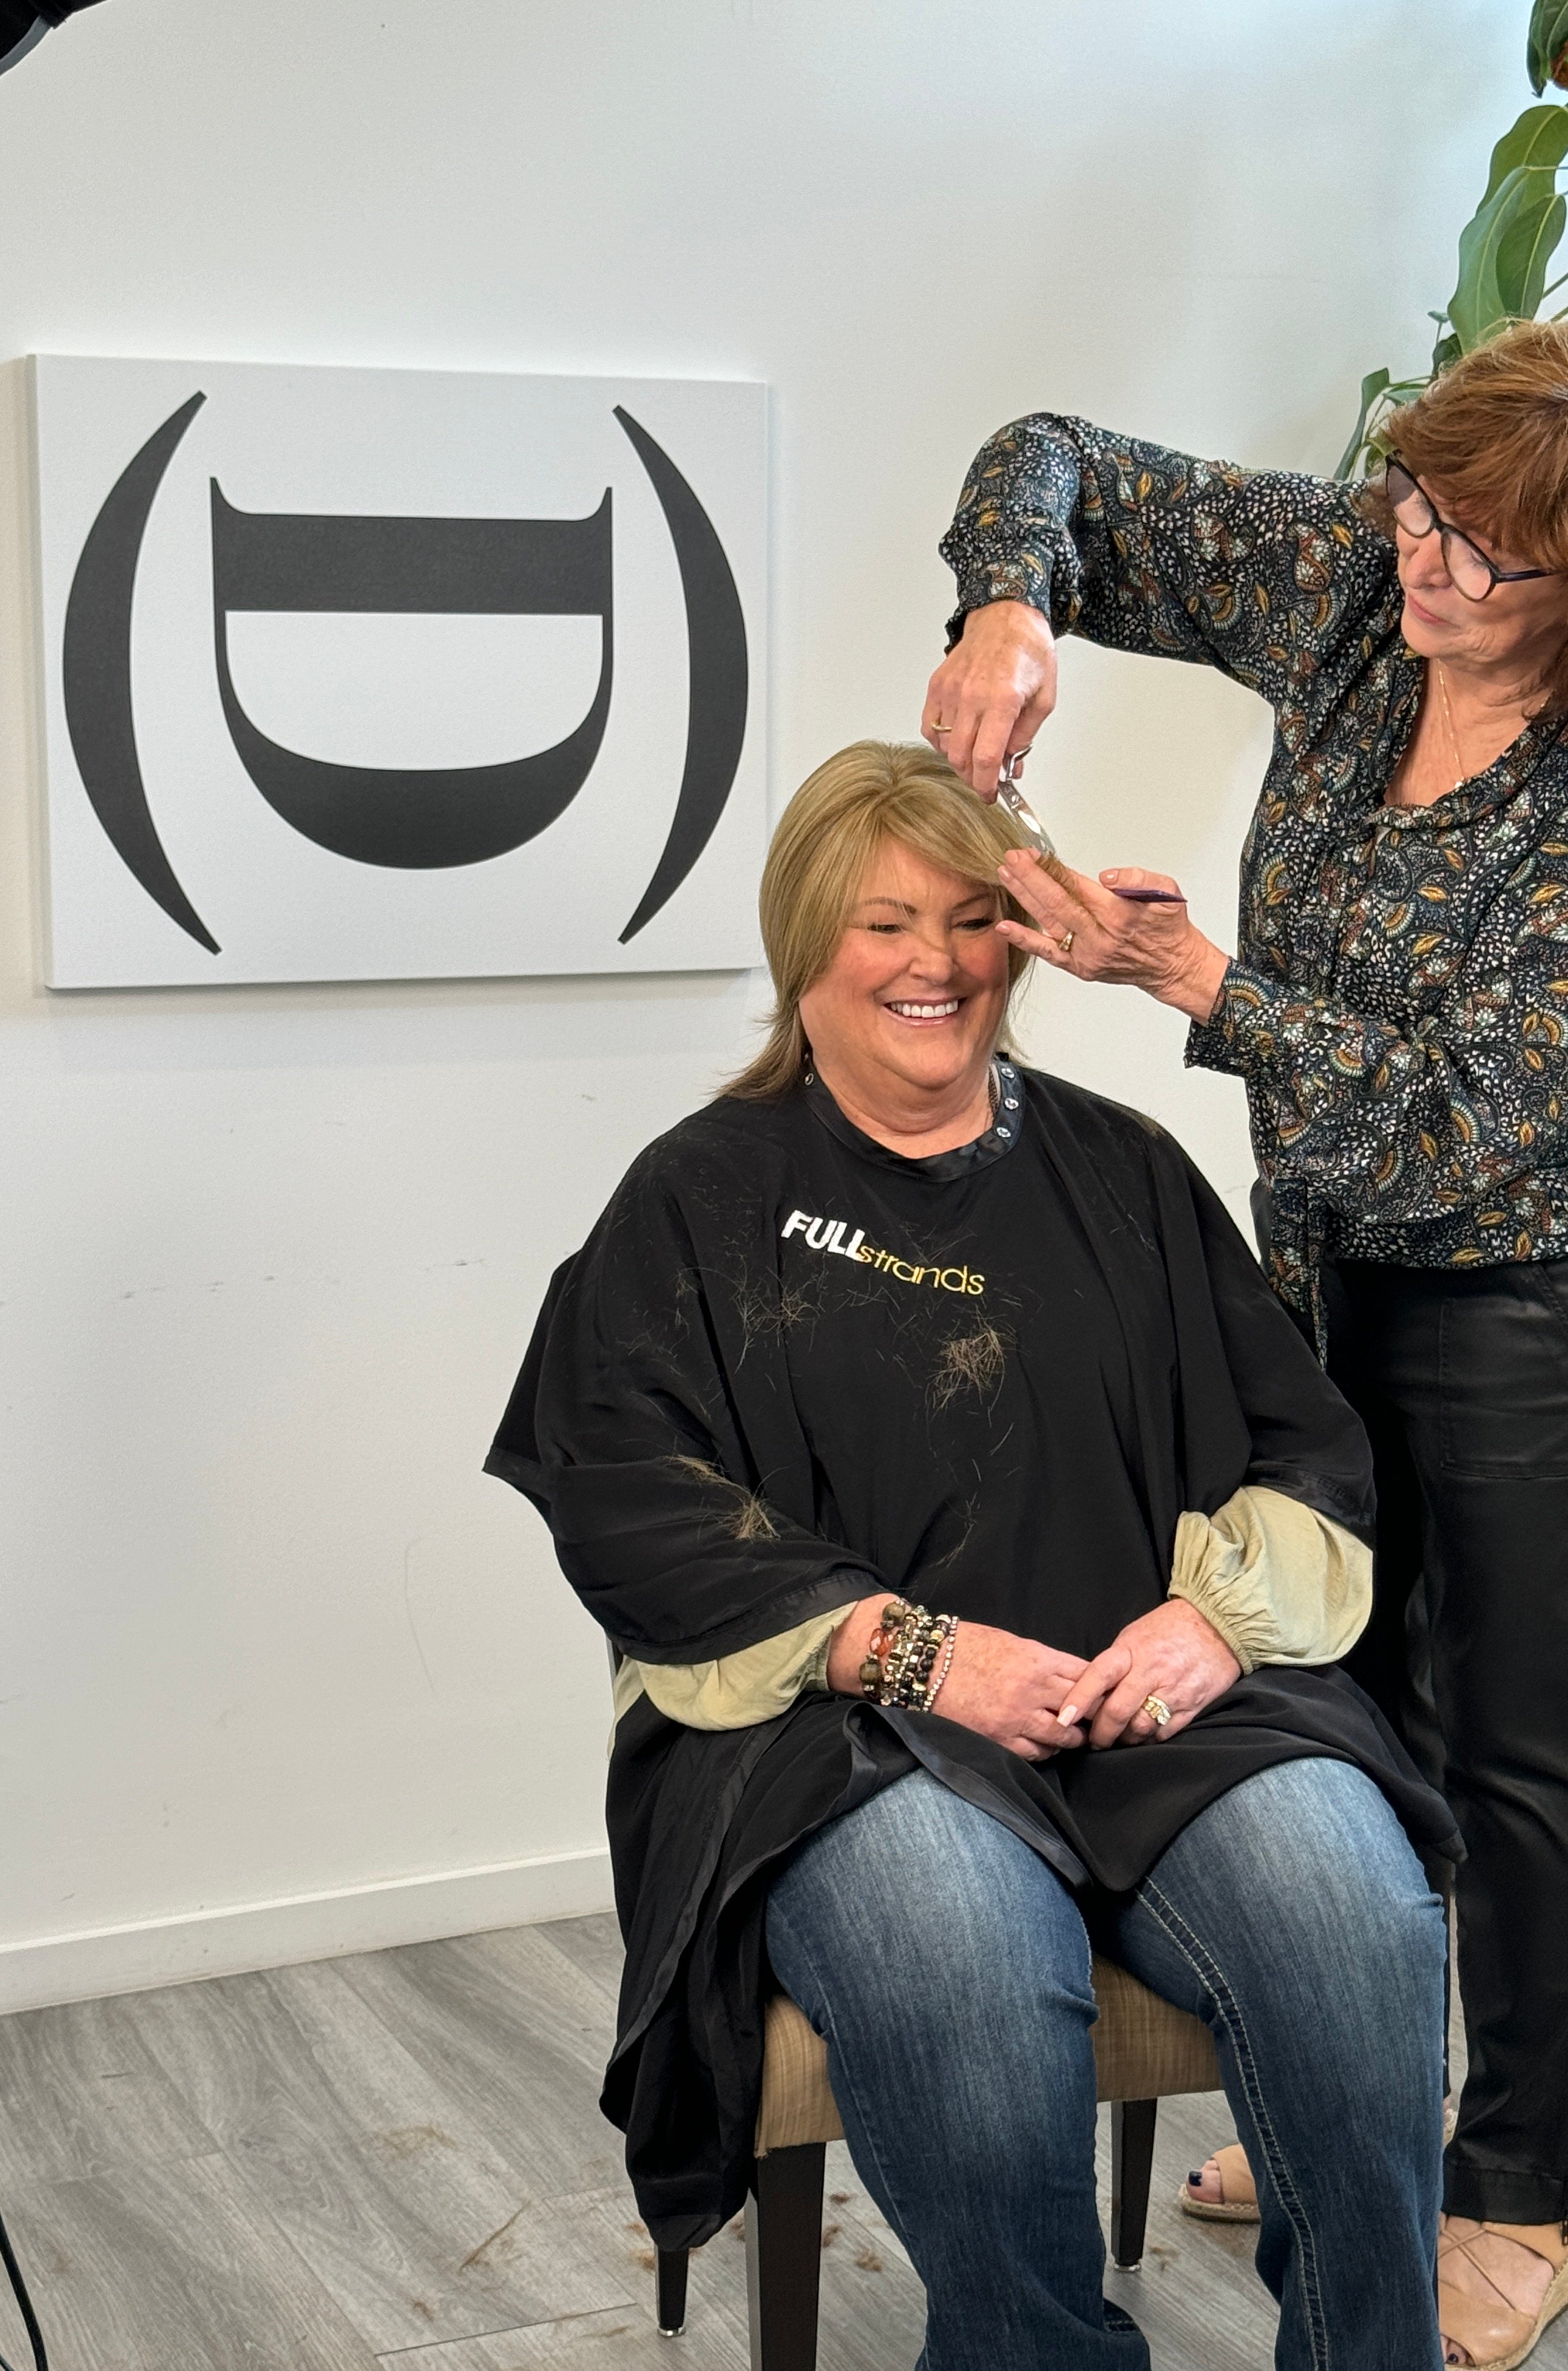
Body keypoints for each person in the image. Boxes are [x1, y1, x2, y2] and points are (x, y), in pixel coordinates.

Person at [922, 315, 1568, 2369]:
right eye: (1427, 508)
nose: (1435, 570)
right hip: (1331, 1243)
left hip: (1545, 1274)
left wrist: (1187, 974)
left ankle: (1515, 2198)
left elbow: (1471, 1118)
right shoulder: (1362, 581)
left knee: (1522, 1743)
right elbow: (1064, 454)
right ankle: (1347, 2120)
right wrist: (1012, 603)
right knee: (1326, 1672)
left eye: (1499, 557)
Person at [489, 740, 1461, 2371]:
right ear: (806, 944)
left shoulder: (1124, 1173)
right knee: (968, 1971)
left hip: (1158, 1706)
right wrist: (919, 1651)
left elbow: (1305, 1440)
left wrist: (1215, 1626)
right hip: (848, 1746)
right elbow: (630, 1496)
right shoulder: (697, 1203)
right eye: (881, 923)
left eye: (966, 919)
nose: (931, 963)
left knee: (1358, 1920)